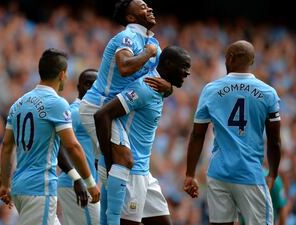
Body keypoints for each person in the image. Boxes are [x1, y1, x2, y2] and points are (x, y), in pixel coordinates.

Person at [79, 1, 172, 224]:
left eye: (149, 5)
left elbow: (163, 80)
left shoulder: (153, 43)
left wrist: (169, 87)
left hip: (115, 112)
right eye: (142, 7)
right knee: (123, 160)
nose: (149, 8)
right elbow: (125, 67)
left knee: (116, 165)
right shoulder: (126, 37)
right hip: (98, 106)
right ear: (130, 18)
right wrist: (148, 53)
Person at [184, 40, 281, 225]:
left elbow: (197, 134)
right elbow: (275, 140)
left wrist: (190, 174)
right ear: (252, 61)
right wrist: (273, 174)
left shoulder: (211, 90)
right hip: (249, 173)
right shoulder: (268, 92)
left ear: (229, 58)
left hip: (218, 174)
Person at [0, 49, 100, 225]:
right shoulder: (57, 103)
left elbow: (7, 145)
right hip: (40, 188)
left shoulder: (18, 104)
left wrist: (5, 184)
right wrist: (90, 182)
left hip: (20, 186)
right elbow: (73, 146)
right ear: (62, 74)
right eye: (66, 74)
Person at [94, 46, 191, 225]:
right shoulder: (145, 88)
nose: (188, 73)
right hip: (131, 174)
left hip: (144, 172)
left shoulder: (159, 86)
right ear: (168, 64)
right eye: (184, 67)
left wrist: (169, 89)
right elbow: (102, 115)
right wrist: (110, 162)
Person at [57, 69, 100, 225]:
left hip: (83, 184)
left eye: (95, 84)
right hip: (77, 184)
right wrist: (77, 179)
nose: (90, 87)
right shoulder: (75, 112)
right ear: (78, 86)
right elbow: (60, 146)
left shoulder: (92, 113)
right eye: (87, 83)